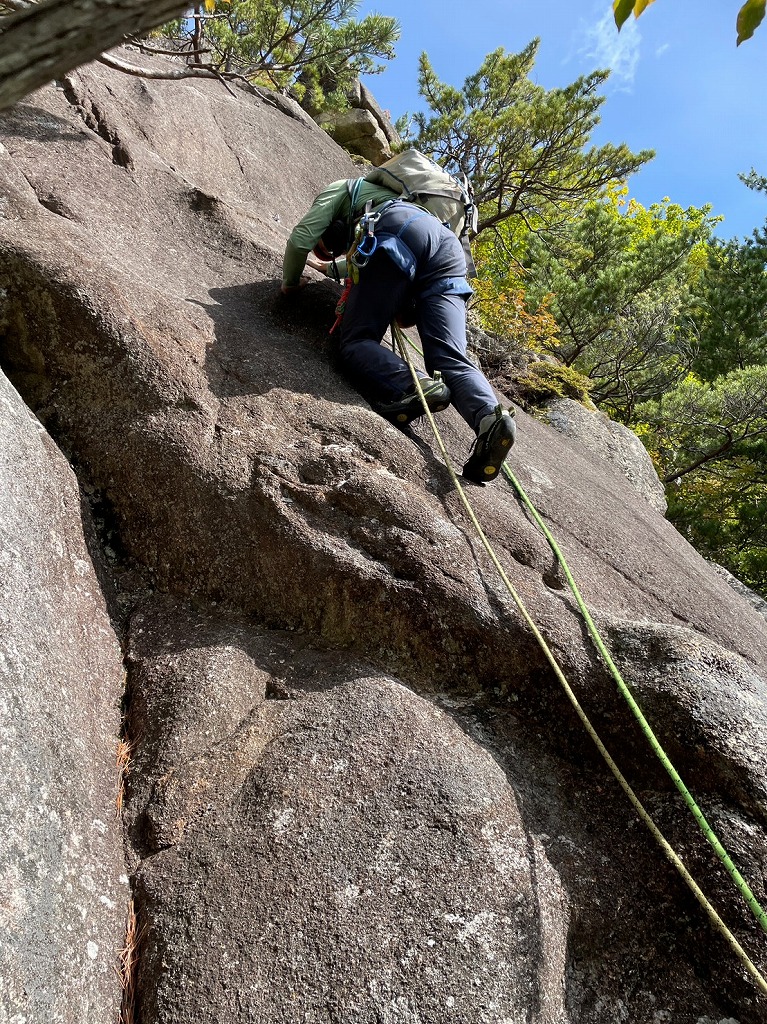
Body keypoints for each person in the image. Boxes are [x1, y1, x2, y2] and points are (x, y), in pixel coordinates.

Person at [281, 177, 516, 483]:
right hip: (447, 250)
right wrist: (329, 269)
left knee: (356, 341)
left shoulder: (344, 188)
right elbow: (370, 255)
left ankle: (415, 386)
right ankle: (490, 418)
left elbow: (301, 238)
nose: (329, 251)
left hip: (398, 231)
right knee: (449, 358)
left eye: (327, 249)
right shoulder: (394, 198)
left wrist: (290, 282)